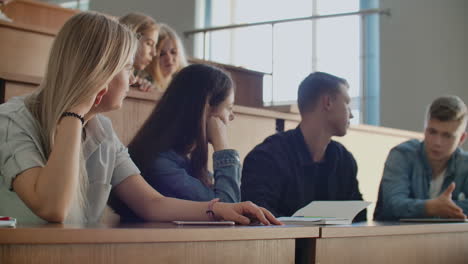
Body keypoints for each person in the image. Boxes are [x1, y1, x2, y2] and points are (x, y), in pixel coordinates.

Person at [0, 11, 280, 226]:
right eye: (127, 67)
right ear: (100, 72)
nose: (133, 78)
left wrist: (218, 209)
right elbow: (53, 208)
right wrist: (74, 112)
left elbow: (151, 203)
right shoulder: (12, 120)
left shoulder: (101, 129)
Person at [114, 64, 239, 220]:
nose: (232, 116)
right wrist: (222, 146)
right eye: (229, 108)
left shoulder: (183, 160)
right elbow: (227, 209)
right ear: (206, 110)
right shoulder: (161, 164)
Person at [241, 72, 366, 221]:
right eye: (347, 103)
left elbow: (358, 217)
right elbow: (260, 219)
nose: (351, 114)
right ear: (327, 102)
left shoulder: (344, 158)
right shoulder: (266, 157)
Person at [374, 96, 468, 221]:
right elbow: (393, 205)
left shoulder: (465, 164)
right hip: (398, 237)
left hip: (449, 239)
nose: (437, 142)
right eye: (432, 132)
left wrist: (440, 208)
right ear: (424, 129)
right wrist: (432, 208)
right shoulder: (402, 155)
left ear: (461, 139)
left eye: (447, 136)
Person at [119, 13, 159, 92]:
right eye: (149, 44)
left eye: (155, 46)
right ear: (131, 38)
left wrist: (143, 85)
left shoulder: (137, 81)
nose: (154, 53)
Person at [145, 23, 188, 92]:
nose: (169, 58)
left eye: (173, 52)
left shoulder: (184, 82)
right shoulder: (145, 84)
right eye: (161, 54)